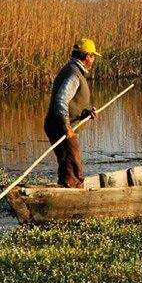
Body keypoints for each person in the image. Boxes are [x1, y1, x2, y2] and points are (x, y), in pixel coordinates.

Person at [44, 38, 102, 188]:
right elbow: (61, 101)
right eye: (93, 56)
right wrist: (66, 127)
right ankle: (74, 195)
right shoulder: (74, 75)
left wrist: (87, 112)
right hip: (60, 127)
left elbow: (71, 103)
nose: (94, 59)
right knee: (74, 165)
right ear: (87, 56)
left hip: (58, 125)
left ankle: (66, 190)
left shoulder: (73, 70)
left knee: (67, 164)